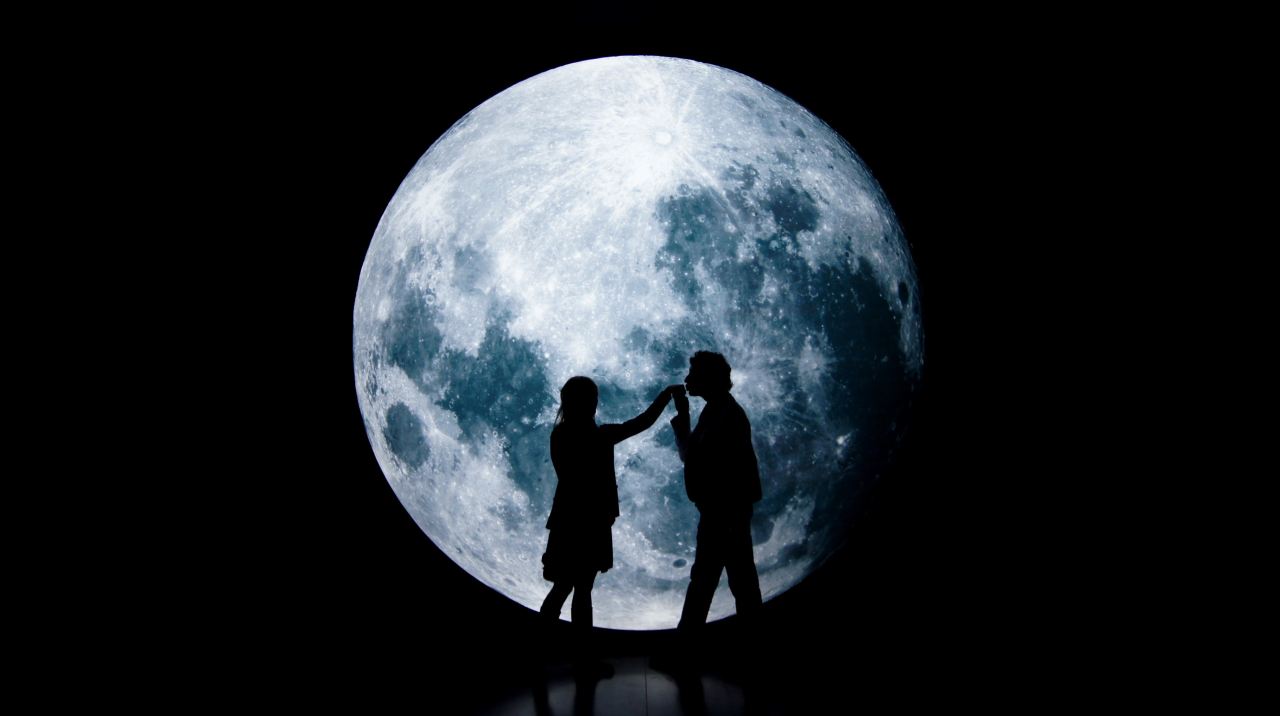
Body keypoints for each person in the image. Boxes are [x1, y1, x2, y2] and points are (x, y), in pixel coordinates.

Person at [539, 376, 681, 669]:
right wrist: (666, 397)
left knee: (565, 589)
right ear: (588, 403)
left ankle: (547, 653)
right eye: (592, 399)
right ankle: (582, 660)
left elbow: (569, 477)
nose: (594, 404)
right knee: (578, 591)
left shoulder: (561, 435)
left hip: (569, 520)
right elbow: (641, 423)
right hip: (588, 524)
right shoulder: (598, 436)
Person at [669, 351, 764, 636]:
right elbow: (695, 456)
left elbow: (693, 456)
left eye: (693, 374)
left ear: (707, 378)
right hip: (726, 510)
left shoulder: (724, 414)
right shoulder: (719, 410)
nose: (687, 379)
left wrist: (683, 418)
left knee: (709, 580)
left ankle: (684, 649)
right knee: (735, 580)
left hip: (724, 511)